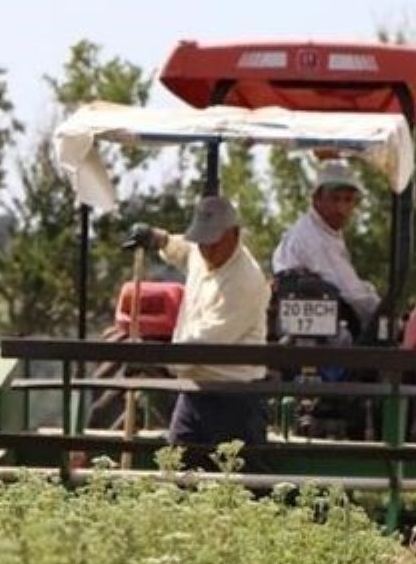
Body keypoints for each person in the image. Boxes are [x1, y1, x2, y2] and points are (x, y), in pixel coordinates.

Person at [123, 195, 271, 461]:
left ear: (235, 234)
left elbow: (205, 344)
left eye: (213, 243)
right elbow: (183, 250)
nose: (206, 250)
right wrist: (159, 238)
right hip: (193, 390)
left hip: (233, 399)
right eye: (202, 242)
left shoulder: (244, 281)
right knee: (176, 471)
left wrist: (156, 359)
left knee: (235, 485)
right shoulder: (202, 252)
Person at [272, 161, 381, 333]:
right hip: (319, 337)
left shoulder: (319, 231)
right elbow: (354, 295)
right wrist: (386, 316)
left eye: (348, 200)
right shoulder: (313, 238)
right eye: (335, 199)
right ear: (316, 198)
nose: (341, 208)